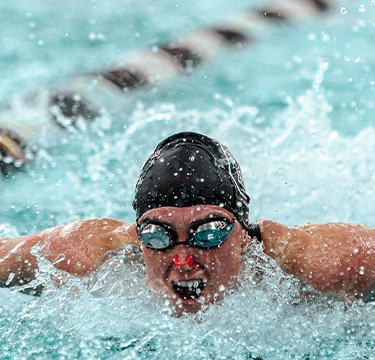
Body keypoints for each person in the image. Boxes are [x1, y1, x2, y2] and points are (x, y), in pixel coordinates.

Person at [1, 131, 375, 313]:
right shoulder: (80, 256)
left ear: (242, 234)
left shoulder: (321, 262)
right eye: (159, 237)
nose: (183, 260)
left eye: (208, 234)